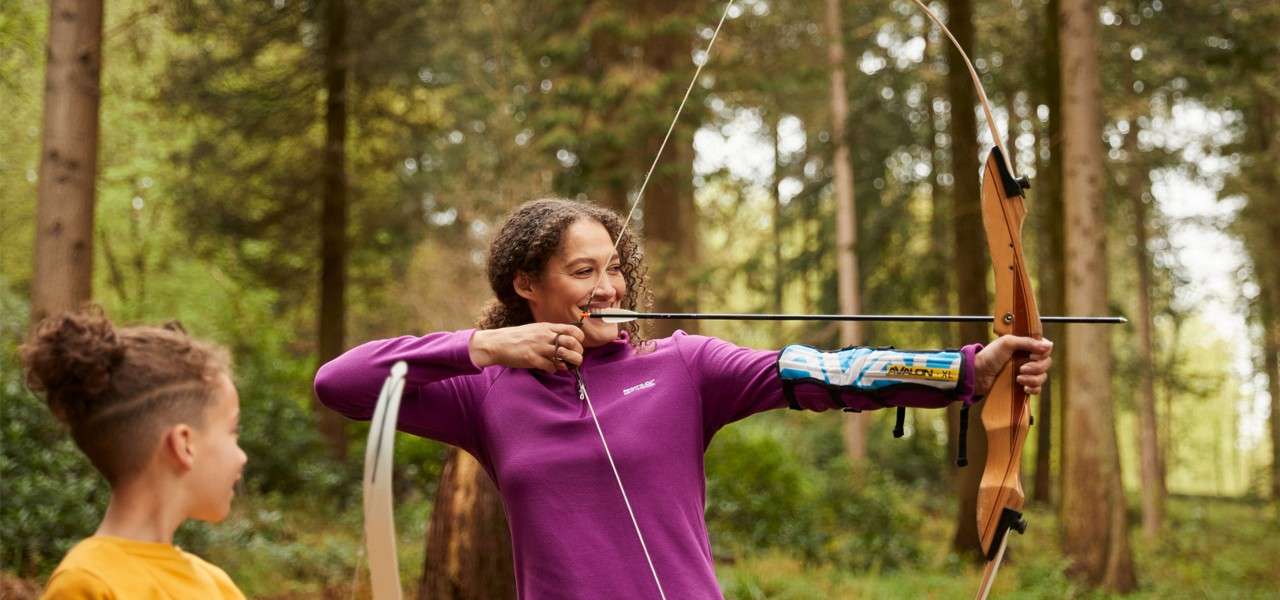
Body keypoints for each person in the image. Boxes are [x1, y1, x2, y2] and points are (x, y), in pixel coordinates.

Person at [314, 198, 1052, 599]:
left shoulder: (685, 366)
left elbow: (824, 372)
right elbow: (339, 384)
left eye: (614, 269)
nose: (608, 288)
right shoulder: (483, 393)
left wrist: (966, 370)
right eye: (581, 271)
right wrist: (479, 348)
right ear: (525, 286)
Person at [21, 307, 247, 599]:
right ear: (184, 445)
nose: (242, 456)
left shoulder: (218, 585)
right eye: (232, 431)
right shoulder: (87, 582)